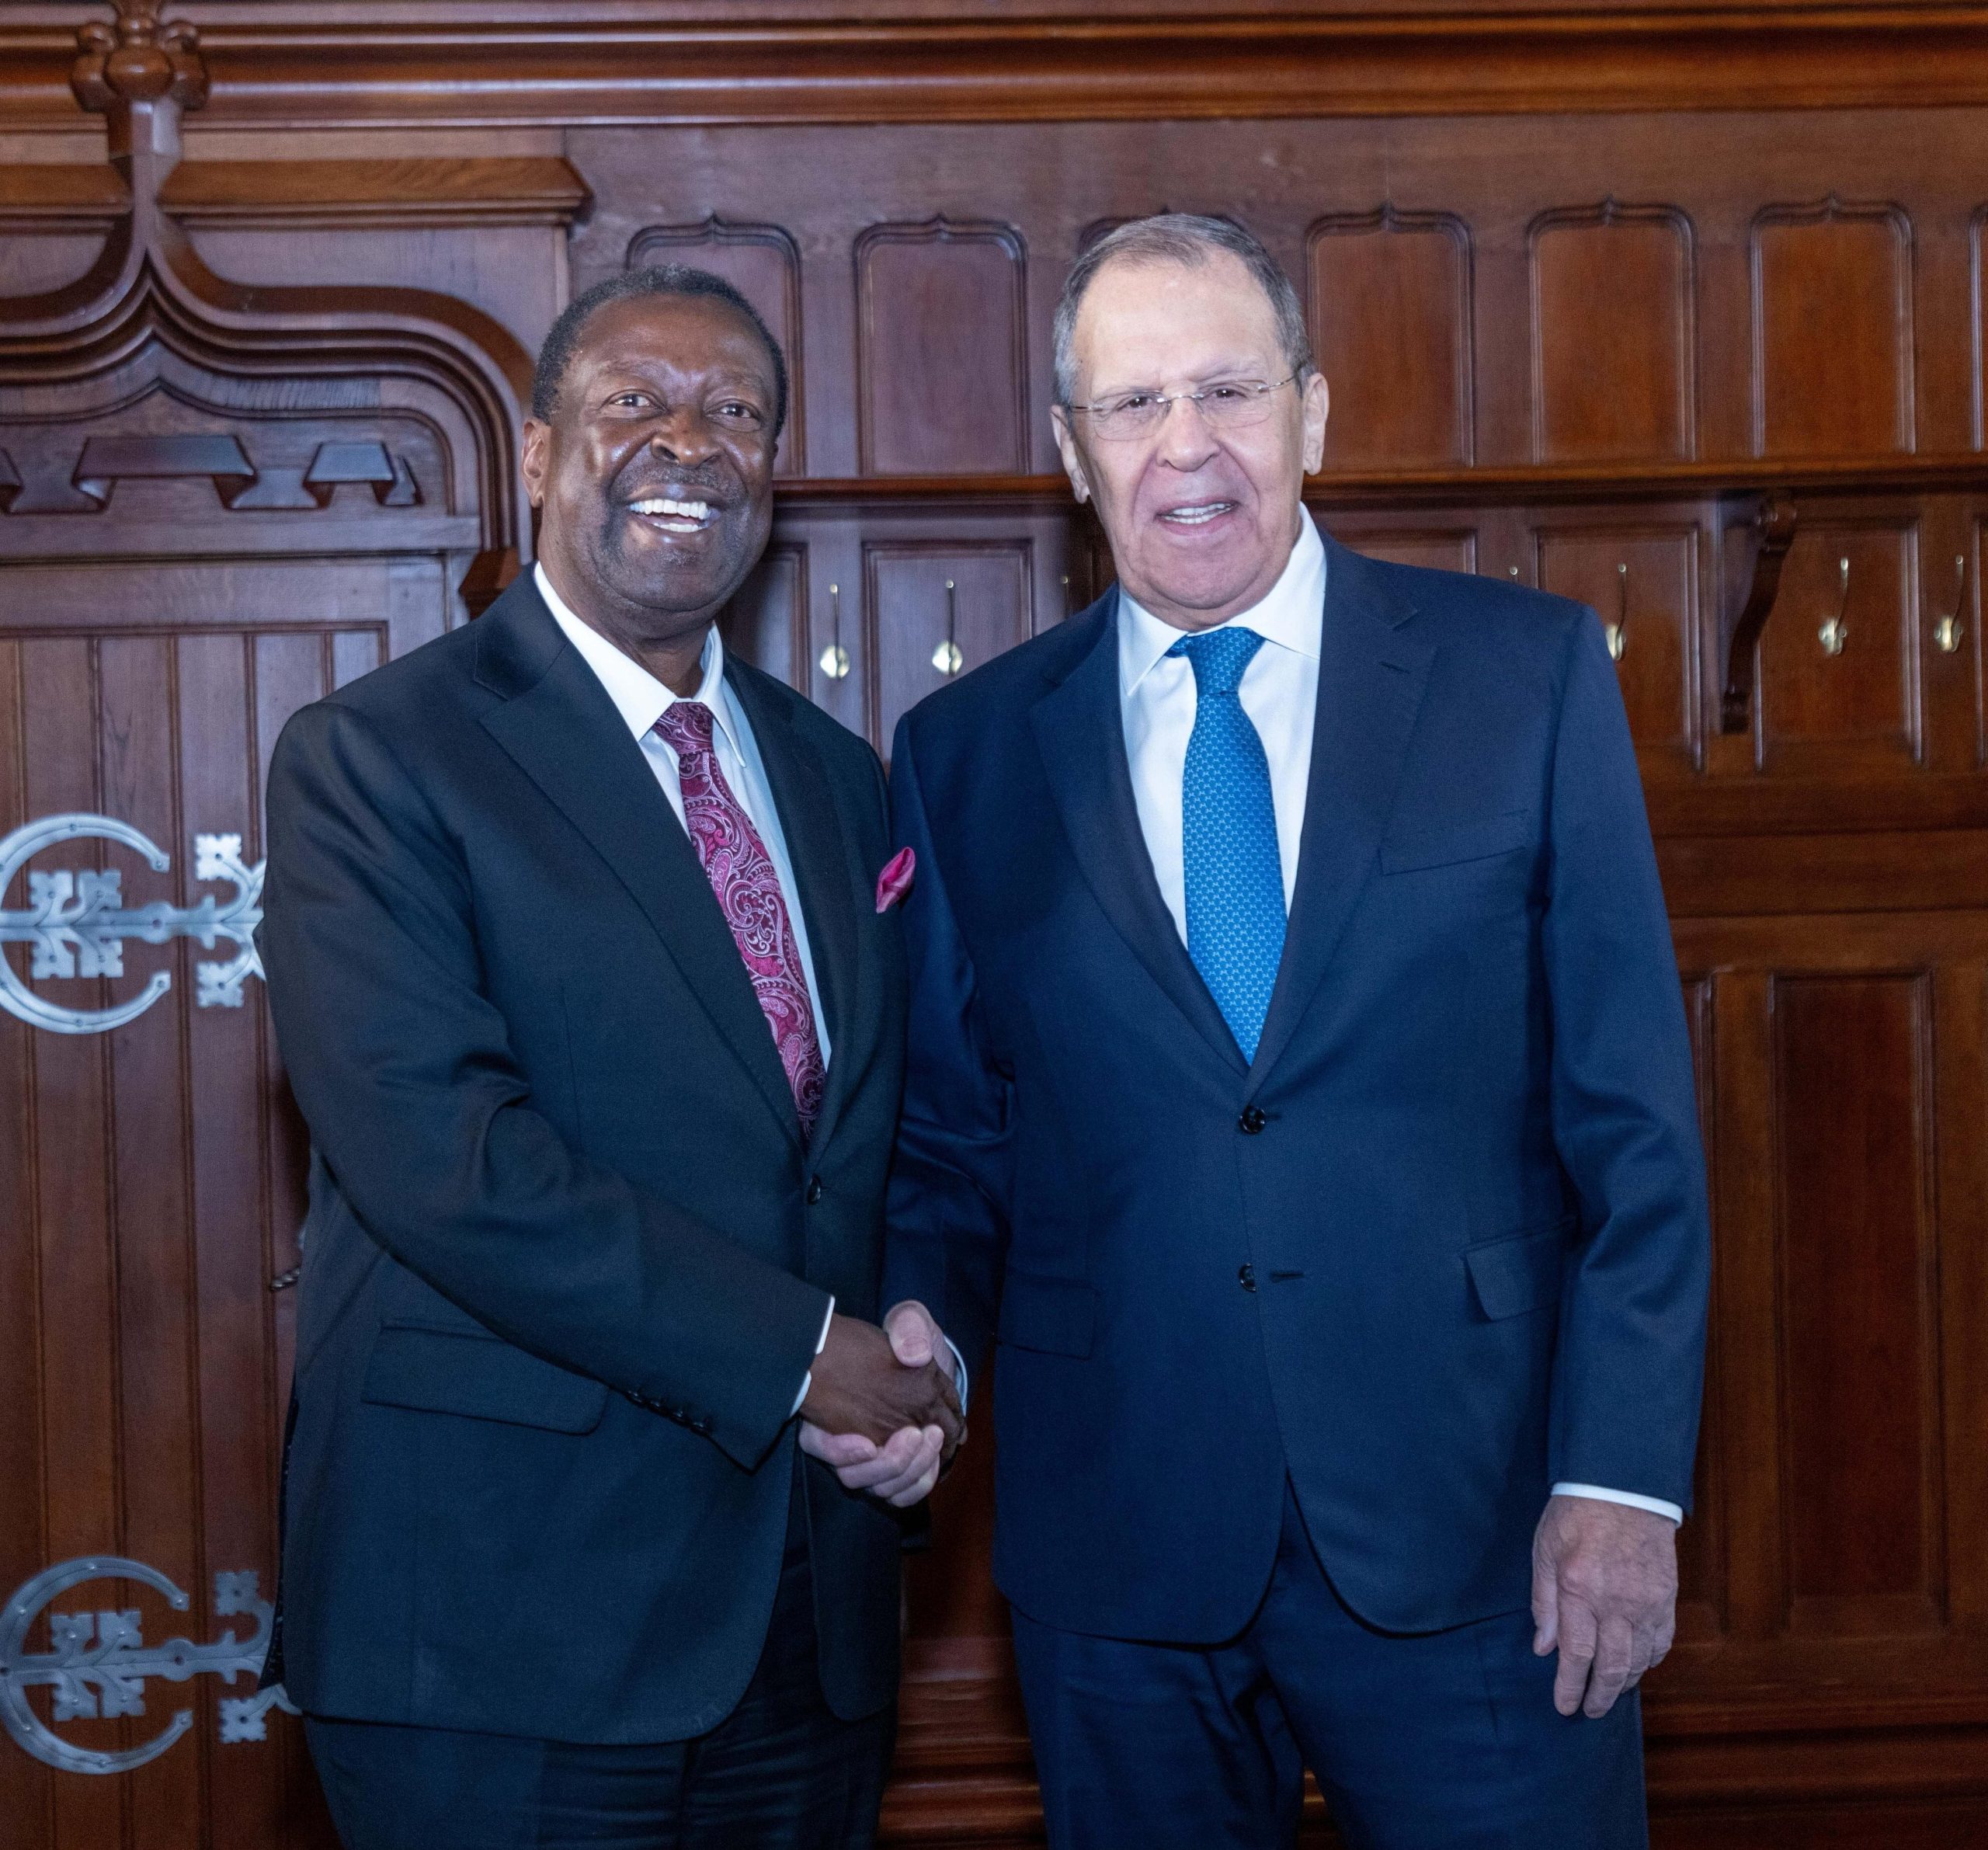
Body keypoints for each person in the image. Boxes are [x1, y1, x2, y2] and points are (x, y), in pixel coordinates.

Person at [881, 215, 1711, 1848]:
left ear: (1311, 414)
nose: (1184, 444)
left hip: (1479, 1528)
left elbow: (1633, 1125)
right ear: (1071, 452)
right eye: (1132, 404)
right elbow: (952, 1140)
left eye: (1228, 389)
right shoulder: (965, 750)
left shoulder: (1520, 676)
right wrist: (927, 1330)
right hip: (1119, 1549)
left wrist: (1620, 1480)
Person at [259, 265, 961, 1850]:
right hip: (501, 1624)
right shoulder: (376, 759)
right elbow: (446, 1161)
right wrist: (806, 1353)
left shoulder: (836, 775)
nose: (686, 443)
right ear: (535, 454)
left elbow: (862, 1141)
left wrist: (921, 1354)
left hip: (805, 1616)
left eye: (734, 412)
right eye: (632, 402)